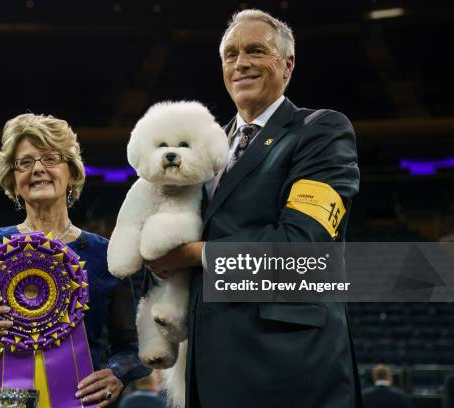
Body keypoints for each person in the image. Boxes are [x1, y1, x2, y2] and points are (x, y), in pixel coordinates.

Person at [146, 9, 362, 408]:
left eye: (255, 51)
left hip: (288, 369)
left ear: (287, 64)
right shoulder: (206, 146)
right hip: (206, 368)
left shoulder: (320, 131)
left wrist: (194, 254)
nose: (241, 63)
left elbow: (303, 247)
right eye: (230, 55)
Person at [0, 113, 150, 406]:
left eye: (50, 158)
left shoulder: (108, 254)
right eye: (25, 163)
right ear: (14, 182)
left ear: (72, 173)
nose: (38, 169)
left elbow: (132, 347)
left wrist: (117, 373)